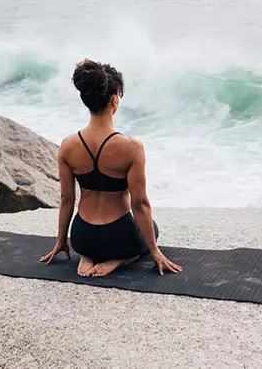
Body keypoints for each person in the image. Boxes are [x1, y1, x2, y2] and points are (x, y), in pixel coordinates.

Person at [40, 59, 182, 278]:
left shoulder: (68, 145)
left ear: (85, 100)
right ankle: (119, 260)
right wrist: (154, 251)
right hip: (119, 237)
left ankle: (87, 256)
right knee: (152, 229)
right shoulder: (131, 148)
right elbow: (140, 204)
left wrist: (61, 241)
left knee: (91, 242)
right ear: (114, 101)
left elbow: (66, 199)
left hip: (82, 237)